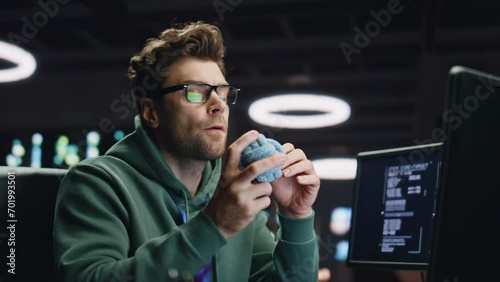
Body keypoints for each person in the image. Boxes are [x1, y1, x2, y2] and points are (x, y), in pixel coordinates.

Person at [53, 21, 321, 282]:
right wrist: (213, 225)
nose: (218, 104)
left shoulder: (230, 188)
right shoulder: (97, 182)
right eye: (195, 92)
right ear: (151, 112)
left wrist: (296, 217)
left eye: (222, 92)